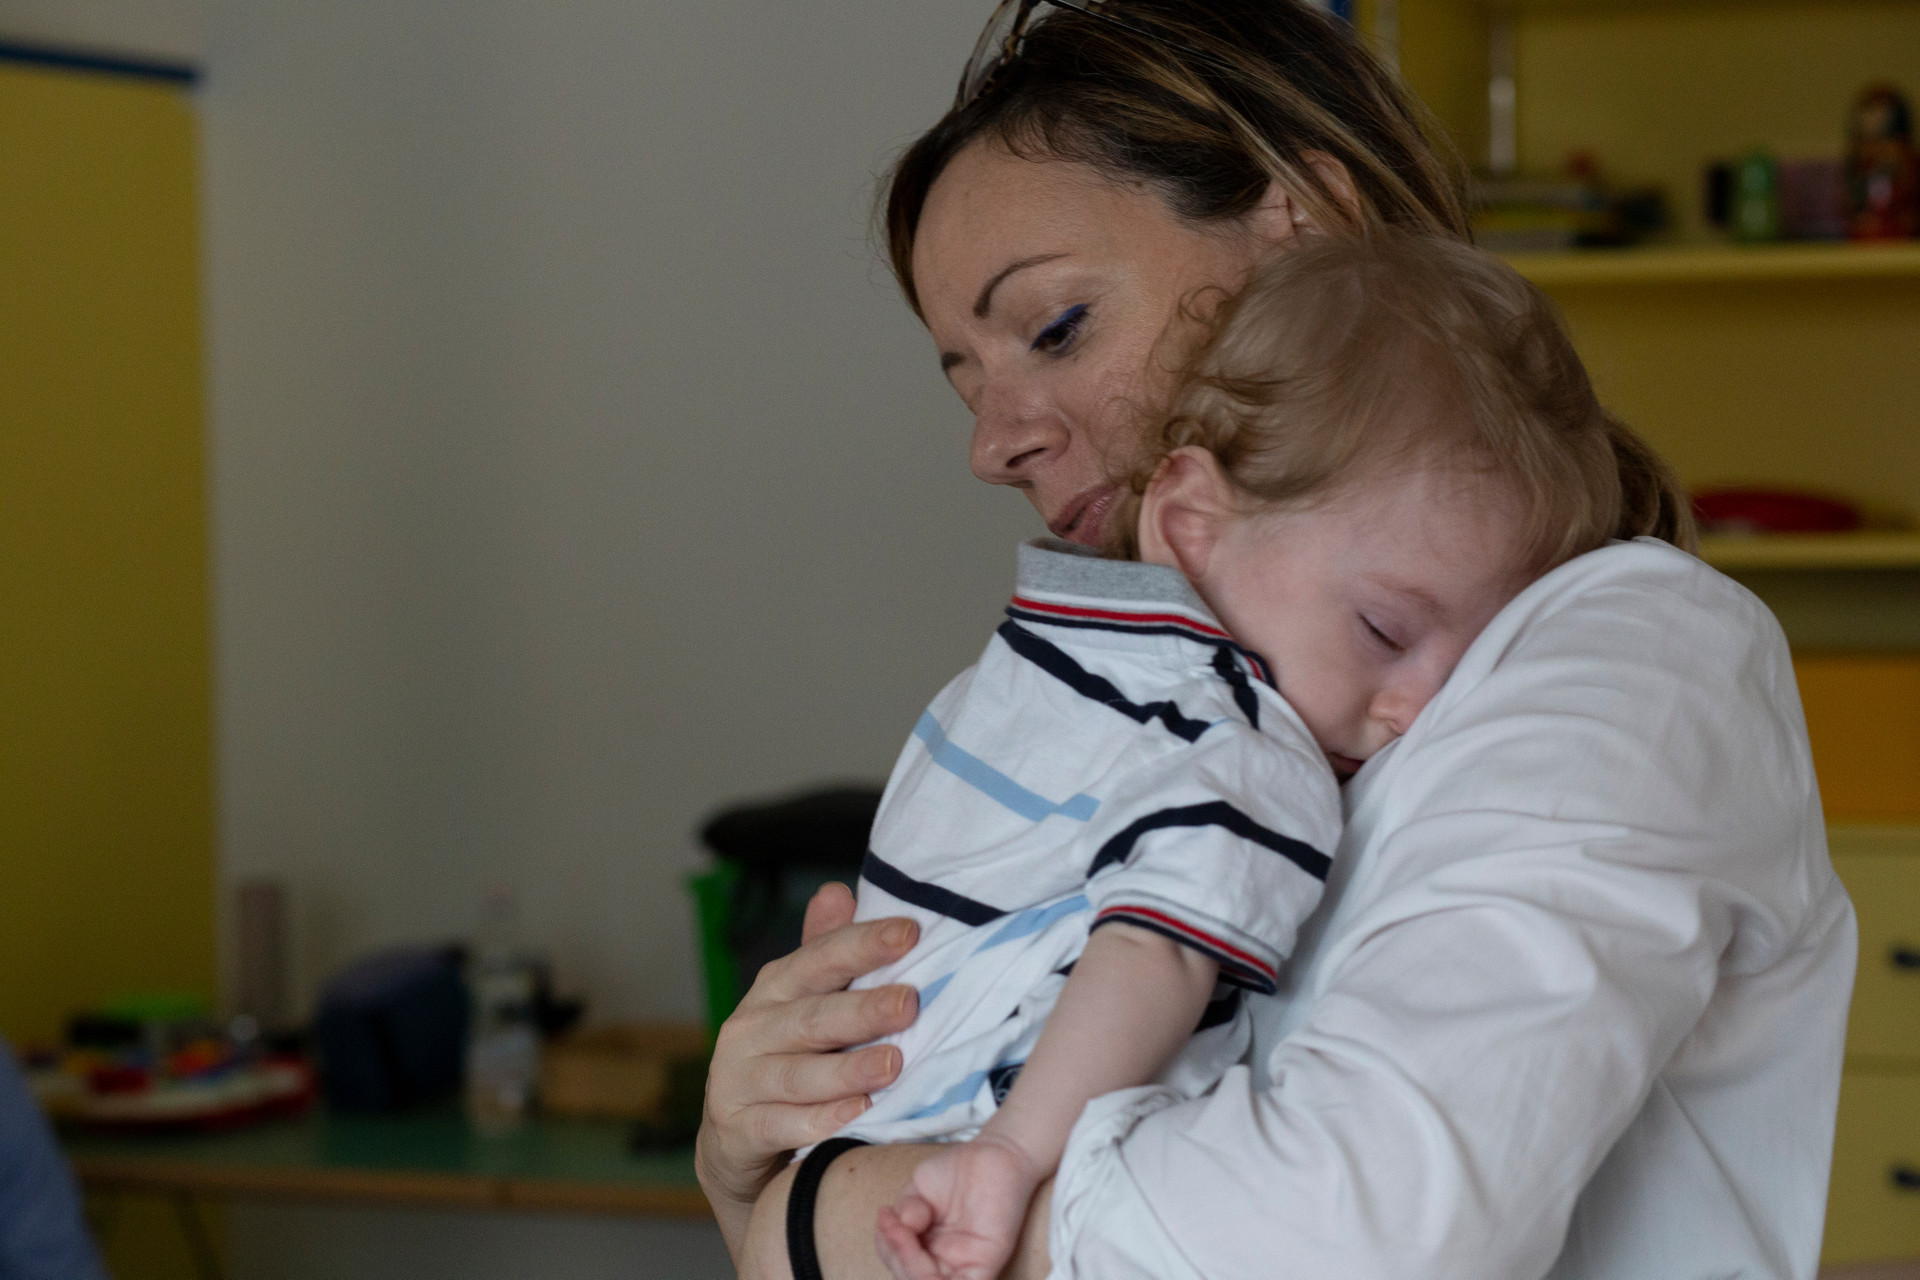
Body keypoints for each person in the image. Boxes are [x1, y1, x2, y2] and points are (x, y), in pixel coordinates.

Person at [697, 3, 1857, 1277]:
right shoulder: (1200, 718)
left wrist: (833, 1212)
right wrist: (762, 1154)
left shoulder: (1627, 652)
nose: (994, 444)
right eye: (968, 382)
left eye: (1055, 327)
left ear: (1304, 225)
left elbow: (1350, 1235)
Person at [748, 228, 1675, 1280]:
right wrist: (1009, 1156)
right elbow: (1154, 949)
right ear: (1189, 523)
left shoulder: (1036, 655)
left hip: (859, 1146)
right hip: (975, 1170)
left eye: (1465, 665)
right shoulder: (1250, 745)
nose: (1417, 707)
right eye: (1381, 631)